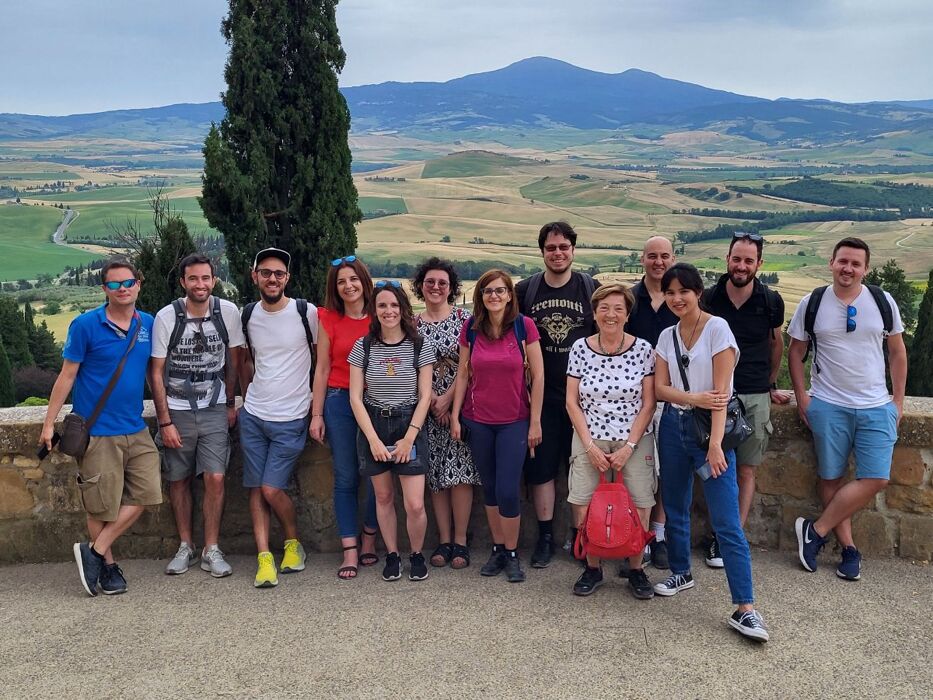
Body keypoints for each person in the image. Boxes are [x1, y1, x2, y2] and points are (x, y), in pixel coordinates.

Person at [653, 263, 769, 642]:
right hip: (673, 426)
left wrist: (717, 444)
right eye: (670, 292)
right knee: (675, 504)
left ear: (697, 293)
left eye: (683, 291)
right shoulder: (667, 336)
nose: (676, 299)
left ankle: (745, 607)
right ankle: (681, 572)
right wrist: (691, 398)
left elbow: (720, 395)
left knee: (726, 521)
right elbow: (660, 389)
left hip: (709, 433)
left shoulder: (718, 329)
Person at [39, 258, 160, 597]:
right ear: (105, 289)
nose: (123, 289)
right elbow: (67, 376)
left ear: (138, 284)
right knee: (101, 505)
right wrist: (48, 424)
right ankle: (107, 566)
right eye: (115, 284)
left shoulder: (148, 323)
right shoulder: (85, 325)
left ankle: (92, 551)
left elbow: (154, 372)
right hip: (98, 432)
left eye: (128, 283)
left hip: (136, 427)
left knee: (147, 493)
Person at [789, 237, 906, 581]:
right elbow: (795, 352)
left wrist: (898, 401)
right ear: (832, 263)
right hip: (828, 404)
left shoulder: (882, 301)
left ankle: (815, 530)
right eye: (843, 261)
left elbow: (897, 352)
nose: (848, 268)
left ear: (865, 269)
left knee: (877, 478)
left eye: (856, 264)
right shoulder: (812, 302)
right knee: (831, 478)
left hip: (876, 404)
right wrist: (802, 397)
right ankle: (850, 550)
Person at [151, 253, 245, 578]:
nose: (200, 284)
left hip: (214, 407)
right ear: (183, 282)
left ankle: (211, 548)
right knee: (178, 479)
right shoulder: (167, 317)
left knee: (215, 477)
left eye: (205, 278)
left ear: (214, 280)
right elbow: (156, 372)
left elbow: (234, 362)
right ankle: (185, 545)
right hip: (176, 409)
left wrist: (230, 404)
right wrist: (164, 421)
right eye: (193, 278)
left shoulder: (227, 312)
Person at [700, 233, 789, 567]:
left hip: (754, 393)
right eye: (736, 259)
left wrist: (770, 383)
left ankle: (729, 538)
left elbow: (776, 344)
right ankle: (716, 534)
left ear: (759, 264)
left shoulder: (771, 301)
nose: (741, 266)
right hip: (716, 394)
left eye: (748, 260)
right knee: (716, 469)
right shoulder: (709, 298)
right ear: (727, 259)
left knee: (746, 470)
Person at [451, 269, 544, 583]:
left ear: (509, 295)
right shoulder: (471, 328)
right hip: (478, 420)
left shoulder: (523, 326)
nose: (494, 296)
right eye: (488, 290)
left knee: (507, 489)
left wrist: (535, 422)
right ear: (480, 296)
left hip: (514, 421)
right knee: (489, 488)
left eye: (500, 290)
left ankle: (512, 552)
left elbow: (539, 377)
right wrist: (455, 415)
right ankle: (498, 548)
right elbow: (462, 373)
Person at [565, 284, 658, 598]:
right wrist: (589, 446)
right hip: (589, 436)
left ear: (627, 315)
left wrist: (629, 446)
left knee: (640, 503)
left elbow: (649, 403)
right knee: (583, 503)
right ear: (594, 313)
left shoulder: (643, 349)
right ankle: (593, 567)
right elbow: (571, 401)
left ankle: (636, 569)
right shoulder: (580, 348)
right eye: (604, 308)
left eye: (618, 308)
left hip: (635, 439)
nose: (611, 315)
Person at [515, 221, 598, 568]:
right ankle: (546, 537)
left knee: (584, 470)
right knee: (541, 471)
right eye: (551, 248)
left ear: (573, 250)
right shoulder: (525, 291)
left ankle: (583, 537)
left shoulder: (591, 288)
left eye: (564, 247)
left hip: (585, 401)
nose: (558, 253)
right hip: (541, 399)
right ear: (542, 252)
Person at [238, 247, 318, 588]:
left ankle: (292, 543)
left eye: (279, 274)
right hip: (254, 415)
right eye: (266, 272)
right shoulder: (247, 315)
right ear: (255, 275)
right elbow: (245, 361)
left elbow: (321, 361)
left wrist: (316, 409)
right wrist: (245, 400)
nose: (273, 279)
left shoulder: (305, 312)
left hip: (292, 416)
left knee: (271, 488)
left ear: (287, 278)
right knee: (256, 489)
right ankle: (264, 557)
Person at [348, 280, 435, 582]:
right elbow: (355, 398)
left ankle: (417, 554)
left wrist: (409, 437)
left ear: (403, 308)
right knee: (383, 498)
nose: (389, 311)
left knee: (415, 504)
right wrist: (372, 440)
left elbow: (425, 396)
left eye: (394, 305)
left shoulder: (419, 345)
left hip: (409, 422)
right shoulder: (363, 346)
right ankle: (393, 555)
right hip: (374, 423)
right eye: (382, 305)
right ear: (374, 310)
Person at [310, 255, 380, 580]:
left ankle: (370, 537)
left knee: (379, 476)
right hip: (339, 401)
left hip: (377, 403)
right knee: (345, 476)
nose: (348, 286)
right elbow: (322, 368)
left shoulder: (381, 315)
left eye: (353, 279)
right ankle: (349, 548)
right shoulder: (328, 319)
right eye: (341, 282)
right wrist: (316, 413)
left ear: (364, 281)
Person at [412, 258, 479, 570]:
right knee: (436, 476)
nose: (436, 287)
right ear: (420, 286)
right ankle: (444, 540)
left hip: (459, 408)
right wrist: (430, 402)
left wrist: (449, 402)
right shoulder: (412, 325)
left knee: (461, 474)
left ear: (451, 288)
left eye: (442, 282)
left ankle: (461, 542)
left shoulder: (466, 321)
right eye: (430, 282)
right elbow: (409, 368)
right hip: (425, 410)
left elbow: (471, 364)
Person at [624, 235, 678, 570]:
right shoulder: (629, 299)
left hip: (673, 396)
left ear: (673, 259)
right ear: (642, 259)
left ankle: (658, 535)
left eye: (665, 256)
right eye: (652, 256)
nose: (659, 262)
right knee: (635, 471)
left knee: (668, 470)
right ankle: (633, 536)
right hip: (634, 399)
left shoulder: (681, 298)